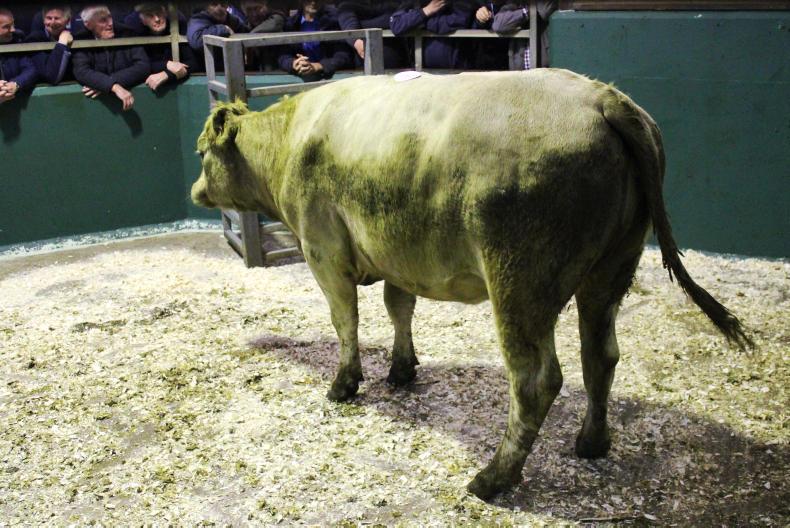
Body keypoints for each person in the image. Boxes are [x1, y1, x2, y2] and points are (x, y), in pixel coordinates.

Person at [72, 5, 150, 111]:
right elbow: (81, 71)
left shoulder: (127, 33)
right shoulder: (80, 40)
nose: (110, 23)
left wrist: (108, 84)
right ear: (88, 25)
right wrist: (113, 86)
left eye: (110, 17)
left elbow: (143, 66)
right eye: (103, 20)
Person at [124, 3, 198, 91]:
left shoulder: (177, 22)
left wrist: (167, 74)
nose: (157, 19)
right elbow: (133, 65)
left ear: (165, 12)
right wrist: (166, 64)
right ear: (142, 20)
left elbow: (193, 62)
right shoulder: (133, 27)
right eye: (149, 15)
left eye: (159, 12)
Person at [277, 1, 352, 82]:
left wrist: (318, 66)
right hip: (301, 80)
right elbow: (282, 55)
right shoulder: (290, 24)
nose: (313, 2)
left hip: (332, 80)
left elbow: (343, 55)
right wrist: (294, 63)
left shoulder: (335, 21)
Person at [390, 0, 476, 70]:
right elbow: (396, 25)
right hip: (421, 73)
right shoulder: (414, 3)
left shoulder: (461, 3)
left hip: (456, 72)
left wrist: (421, 23)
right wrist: (425, 11)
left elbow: (460, 20)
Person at [337, 1, 408, 70]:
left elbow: (397, 20)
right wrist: (357, 42)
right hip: (368, 67)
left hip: (400, 62)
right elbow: (351, 30)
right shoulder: (347, 6)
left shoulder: (392, 4)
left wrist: (363, 25)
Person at [492, 1, 557, 70]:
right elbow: (498, 25)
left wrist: (529, 9)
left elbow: (544, 11)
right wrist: (525, 12)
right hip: (519, 69)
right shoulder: (514, 3)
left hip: (543, 68)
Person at [24, 5, 75, 85]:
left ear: (68, 21)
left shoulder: (77, 38)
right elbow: (51, 76)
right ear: (43, 20)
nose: (52, 22)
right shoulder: (34, 40)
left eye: (57, 18)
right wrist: (62, 43)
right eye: (49, 18)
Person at [0, 8, 37, 104]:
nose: (13, 30)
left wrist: (15, 84)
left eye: (13, 25)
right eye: (7, 26)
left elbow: (30, 69)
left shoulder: (17, 40)